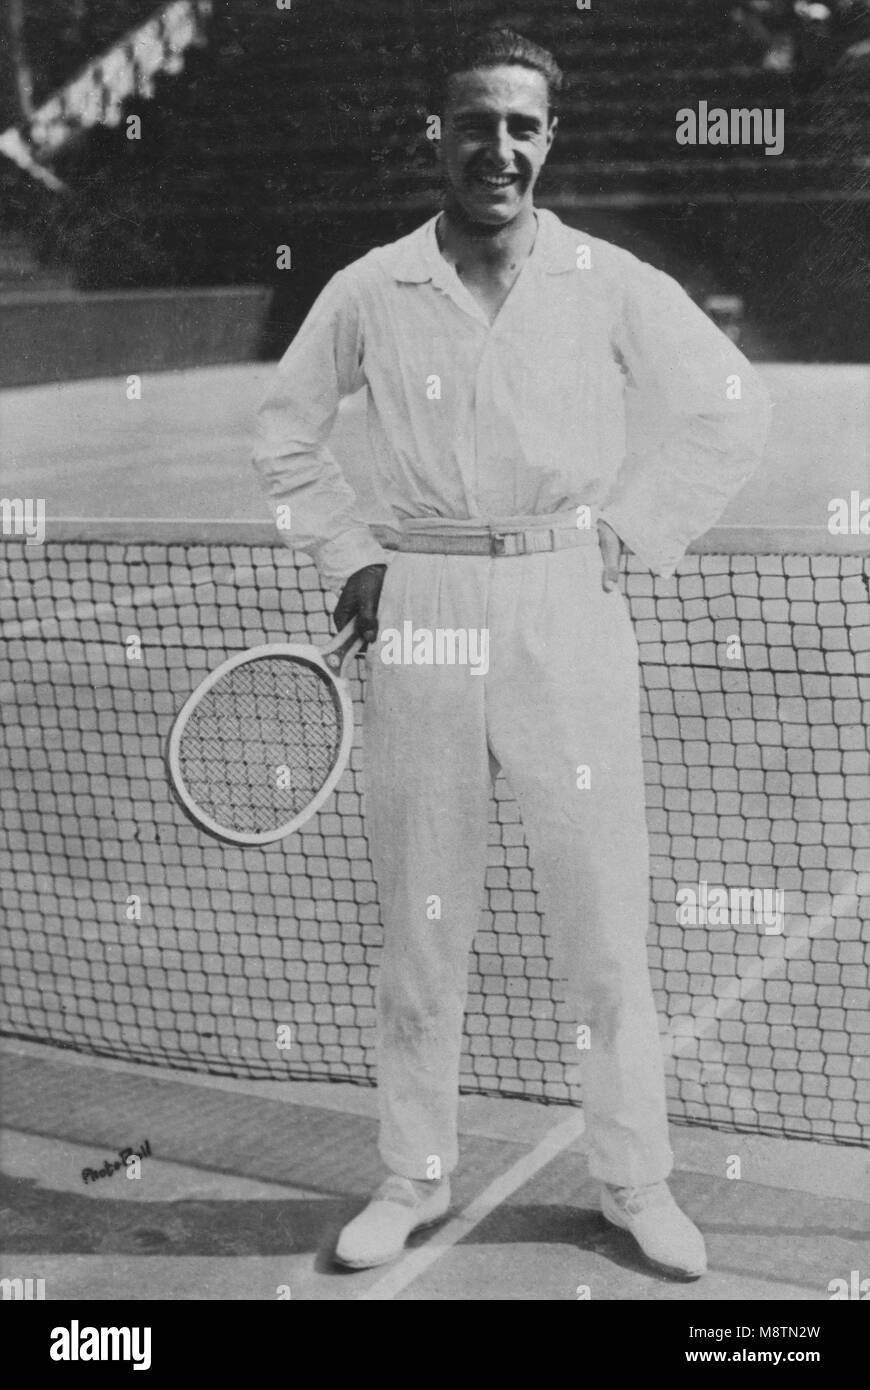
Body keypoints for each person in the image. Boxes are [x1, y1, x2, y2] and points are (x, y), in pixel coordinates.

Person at [253, 26, 772, 1281]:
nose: (499, 147)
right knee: (424, 919)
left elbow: (727, 406)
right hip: (423, 597)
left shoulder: (607, 277)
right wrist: (352, 561)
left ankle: (634, 1182)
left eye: (522, 125)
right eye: (475, 122)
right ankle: (412, 1177)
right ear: (438, 135)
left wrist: (637, 532)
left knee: (603, 922)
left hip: (566, 601)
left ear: (552, 137)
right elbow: (283, 434)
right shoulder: (372, 287)